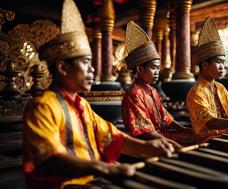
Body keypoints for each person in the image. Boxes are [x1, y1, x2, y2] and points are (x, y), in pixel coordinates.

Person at [23, 1, 175, 188]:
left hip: (90, 178)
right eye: (86, 62)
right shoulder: (42, 107)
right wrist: (104, 168)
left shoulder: (81, 104)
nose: (92, 69)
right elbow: (50, 159)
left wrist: (147, 147)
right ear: (62, 67)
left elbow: (111, 137)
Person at [121, 21, 193, 147]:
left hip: (162, 135)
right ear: (140, 69)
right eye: (153, 68)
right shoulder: (134, 94)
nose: (157, 72)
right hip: (148, 143)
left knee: (201, 136)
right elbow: (145, 132)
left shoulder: (152, 91)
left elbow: (166, 117)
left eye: (158, 68)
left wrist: (185, 130)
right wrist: (170, 143)